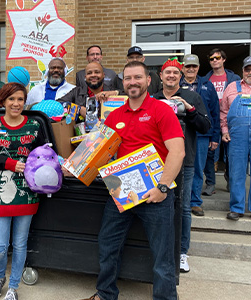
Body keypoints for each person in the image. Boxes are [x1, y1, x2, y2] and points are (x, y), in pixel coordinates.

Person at [81, 61, 185, 300]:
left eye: (138, 77)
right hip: (121, 192)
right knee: (107, 245)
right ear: (122, 83)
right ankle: (106, 294)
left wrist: (162, 187)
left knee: (162, 255)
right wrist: (74, 166)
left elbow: (177, 152)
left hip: (155, 195)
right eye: (128, 79)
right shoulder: (114, 115)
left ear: (148, 80)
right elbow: (98, 150)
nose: (132, 82)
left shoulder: (161, 110)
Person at [0, 82, 46, 300]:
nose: (16, 103)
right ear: (3, 101)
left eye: (20, 99)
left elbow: (45, 156)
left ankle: (13, 287)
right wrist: (8, 163)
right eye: (12, 99)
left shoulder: (35, 126)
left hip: (27, 193)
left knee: (19, 244)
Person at [154, 57, 210, 273]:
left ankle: (182, 252)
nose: (171, 76)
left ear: (180, 76)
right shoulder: (154, 98)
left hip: (184, 162)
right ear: (161, 76)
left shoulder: (192, 96)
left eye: (175, 73)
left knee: (184, 207)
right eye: (167, 72)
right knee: (158, 205)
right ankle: (161, 249)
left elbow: (205, 126)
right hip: (157, 161)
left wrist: (190, 109)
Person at [220, 55, 251, 224]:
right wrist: (224, 130)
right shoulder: (232, 87)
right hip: (237, 136)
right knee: (236, 173)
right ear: (243, 71)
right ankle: (236, 207)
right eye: (247, 69)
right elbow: (224, 112)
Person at [179, 54, 220, 217]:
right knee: (180, 167)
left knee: (197, 169)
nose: (190, 69)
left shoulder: (207, 86)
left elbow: (215, 113)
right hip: (181, 133)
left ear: (198, 68)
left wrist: (215, 137)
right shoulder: (176, 85)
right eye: (187, 67)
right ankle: (180, 200)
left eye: (194, 67)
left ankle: (195, 202)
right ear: (182, 68)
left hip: (202, 135)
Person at [202, 48, 241, 194]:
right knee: (210, 153)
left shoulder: (234, 79)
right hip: (212, 121)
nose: (214, 61)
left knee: (231, 154)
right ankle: (211, 183)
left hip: (230, 121)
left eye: (217, 58)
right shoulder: (205, 80)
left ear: (223, 59)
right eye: (211, 59)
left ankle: (230, 180)